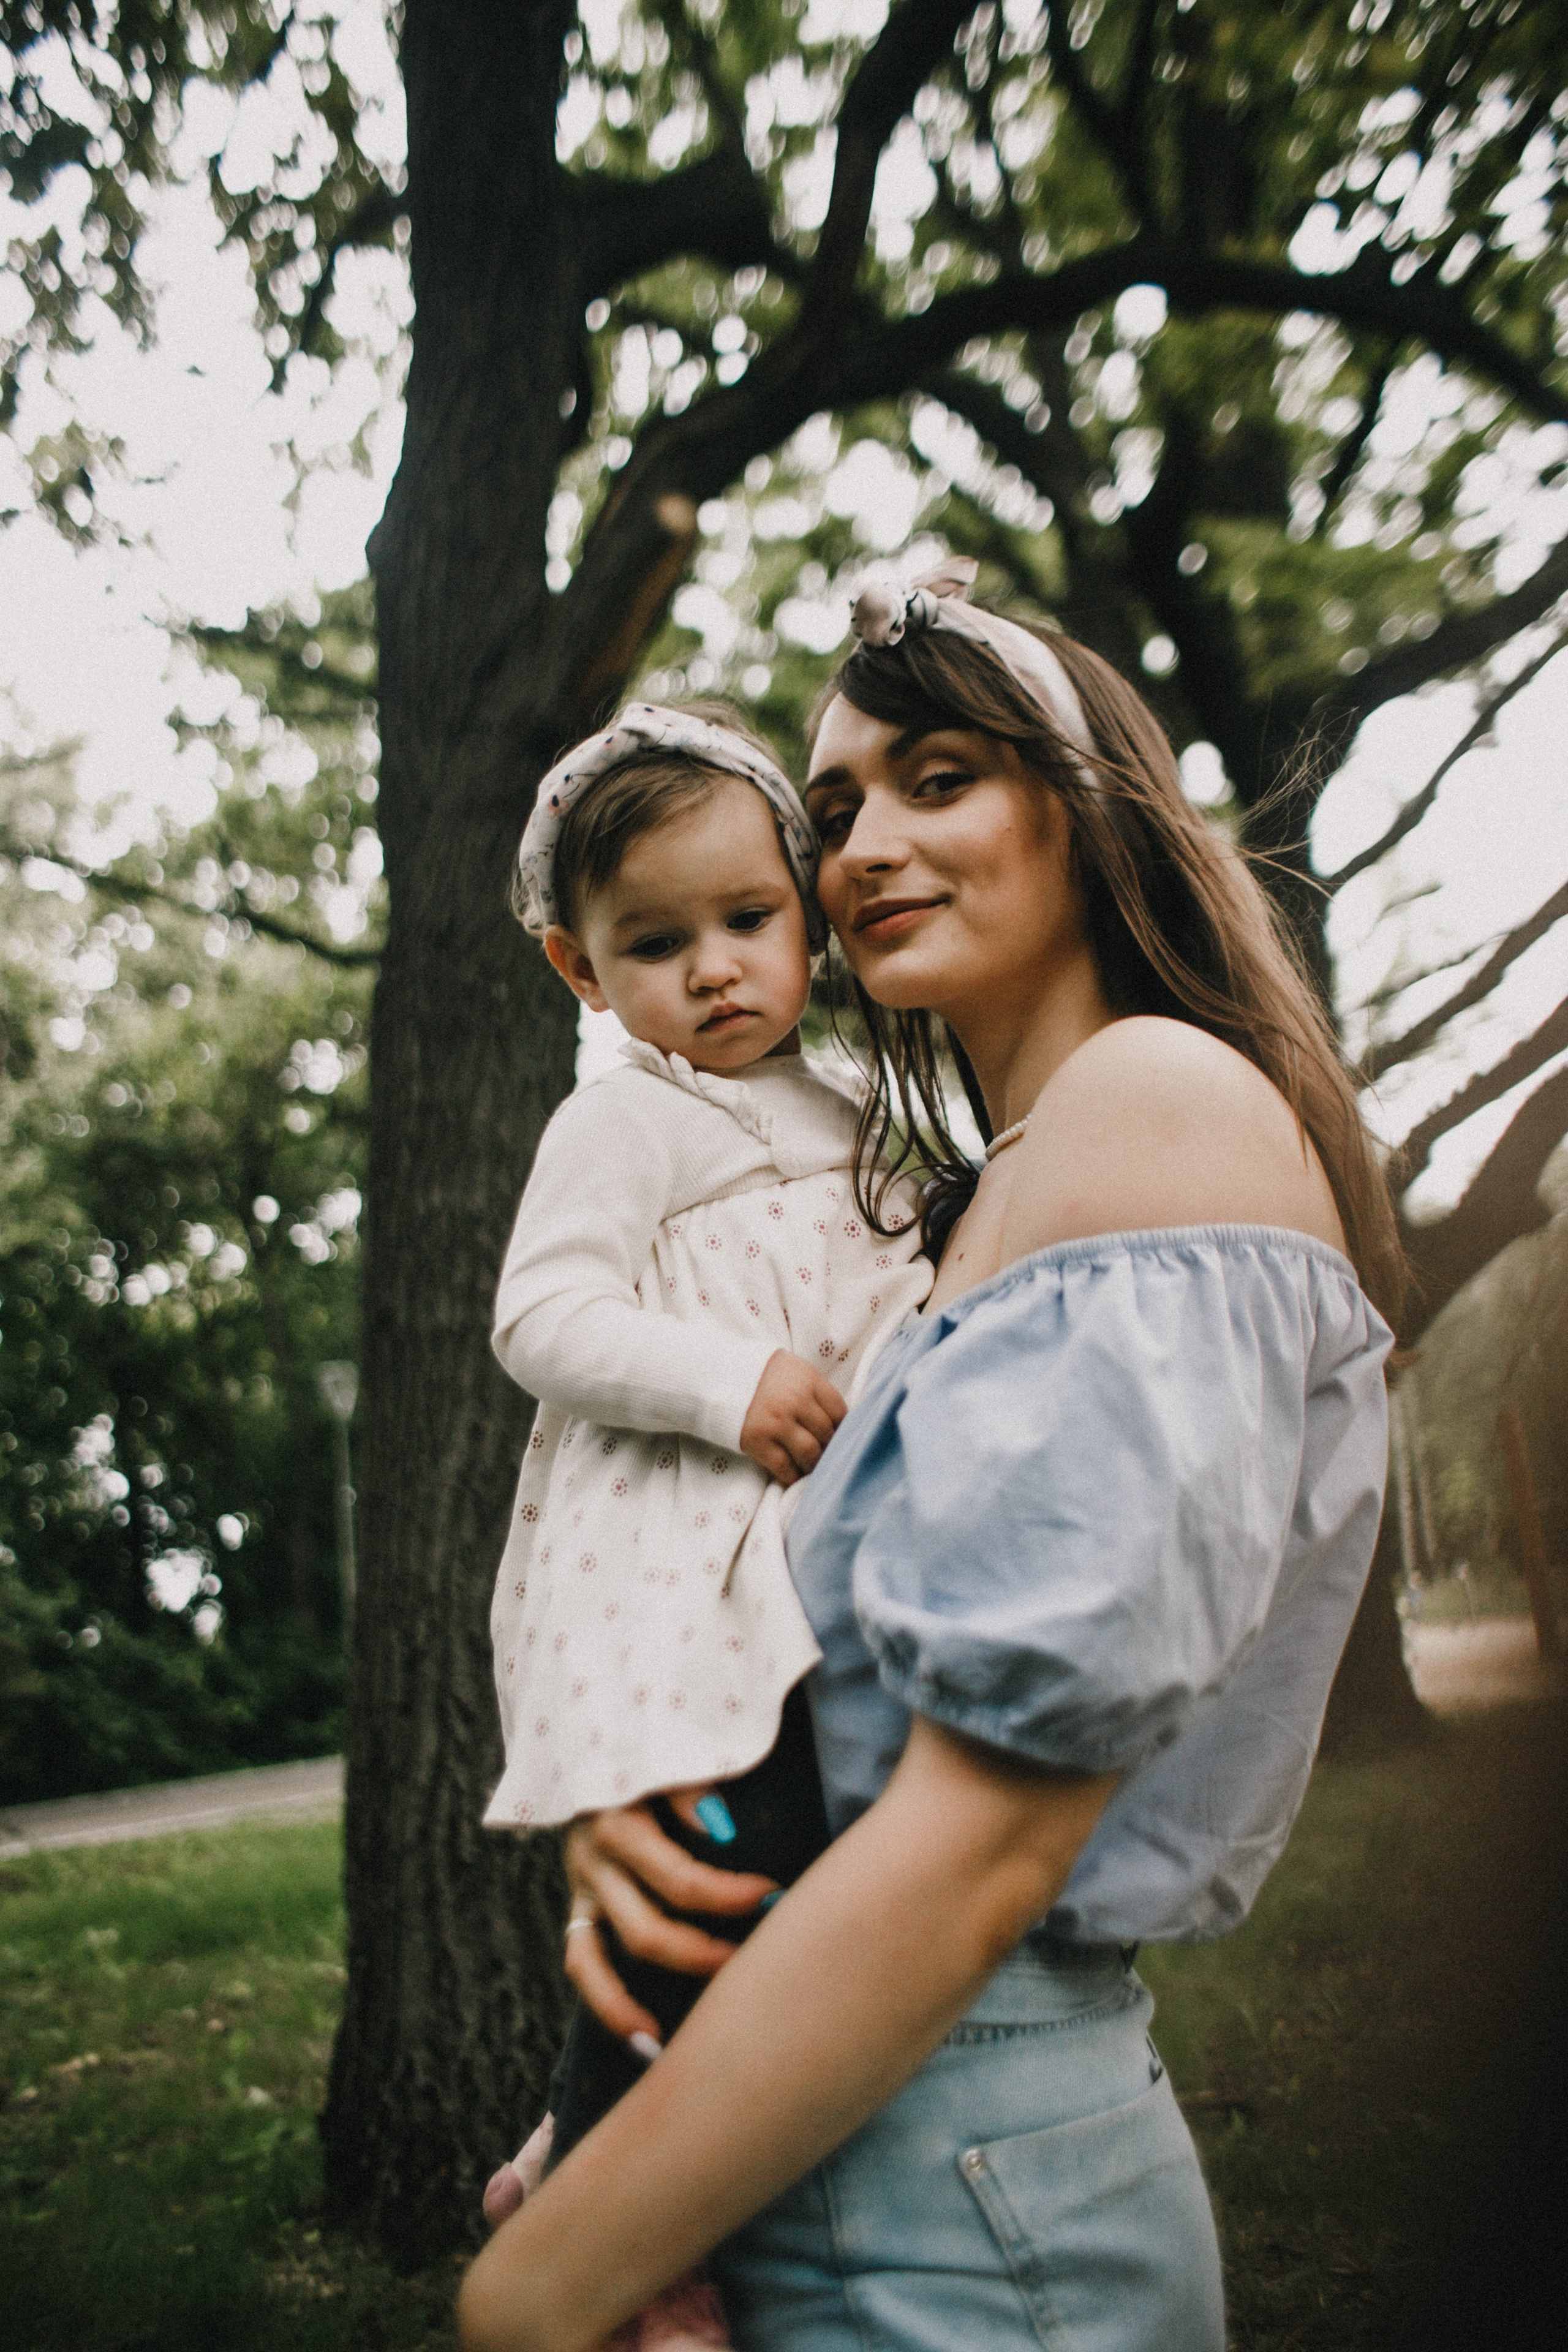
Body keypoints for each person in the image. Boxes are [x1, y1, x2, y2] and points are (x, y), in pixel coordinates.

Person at [459, 564, 1399, 2352]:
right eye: (831, 812)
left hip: (966, 2219)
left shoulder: (1152, 1108)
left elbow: (976, 1851)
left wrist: (533, 2292)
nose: (863, 843)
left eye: (940, 777)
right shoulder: (971, 1197)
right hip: (821, 2139)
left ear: (1086, 802)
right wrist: (656, 1804)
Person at [480, 700, 932, 2343]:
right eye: (656, 944)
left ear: (806, 912)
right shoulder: (627, 1120)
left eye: (749, 921)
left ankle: (576, 2155)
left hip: (780, 1550)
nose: (718, 970)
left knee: (782, 1854)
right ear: (580, 973)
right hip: (662, 1550)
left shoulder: (858, 1102)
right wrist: (721, 1375)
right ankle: (617, 2209)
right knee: (714, 1852)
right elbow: (542, 1316)